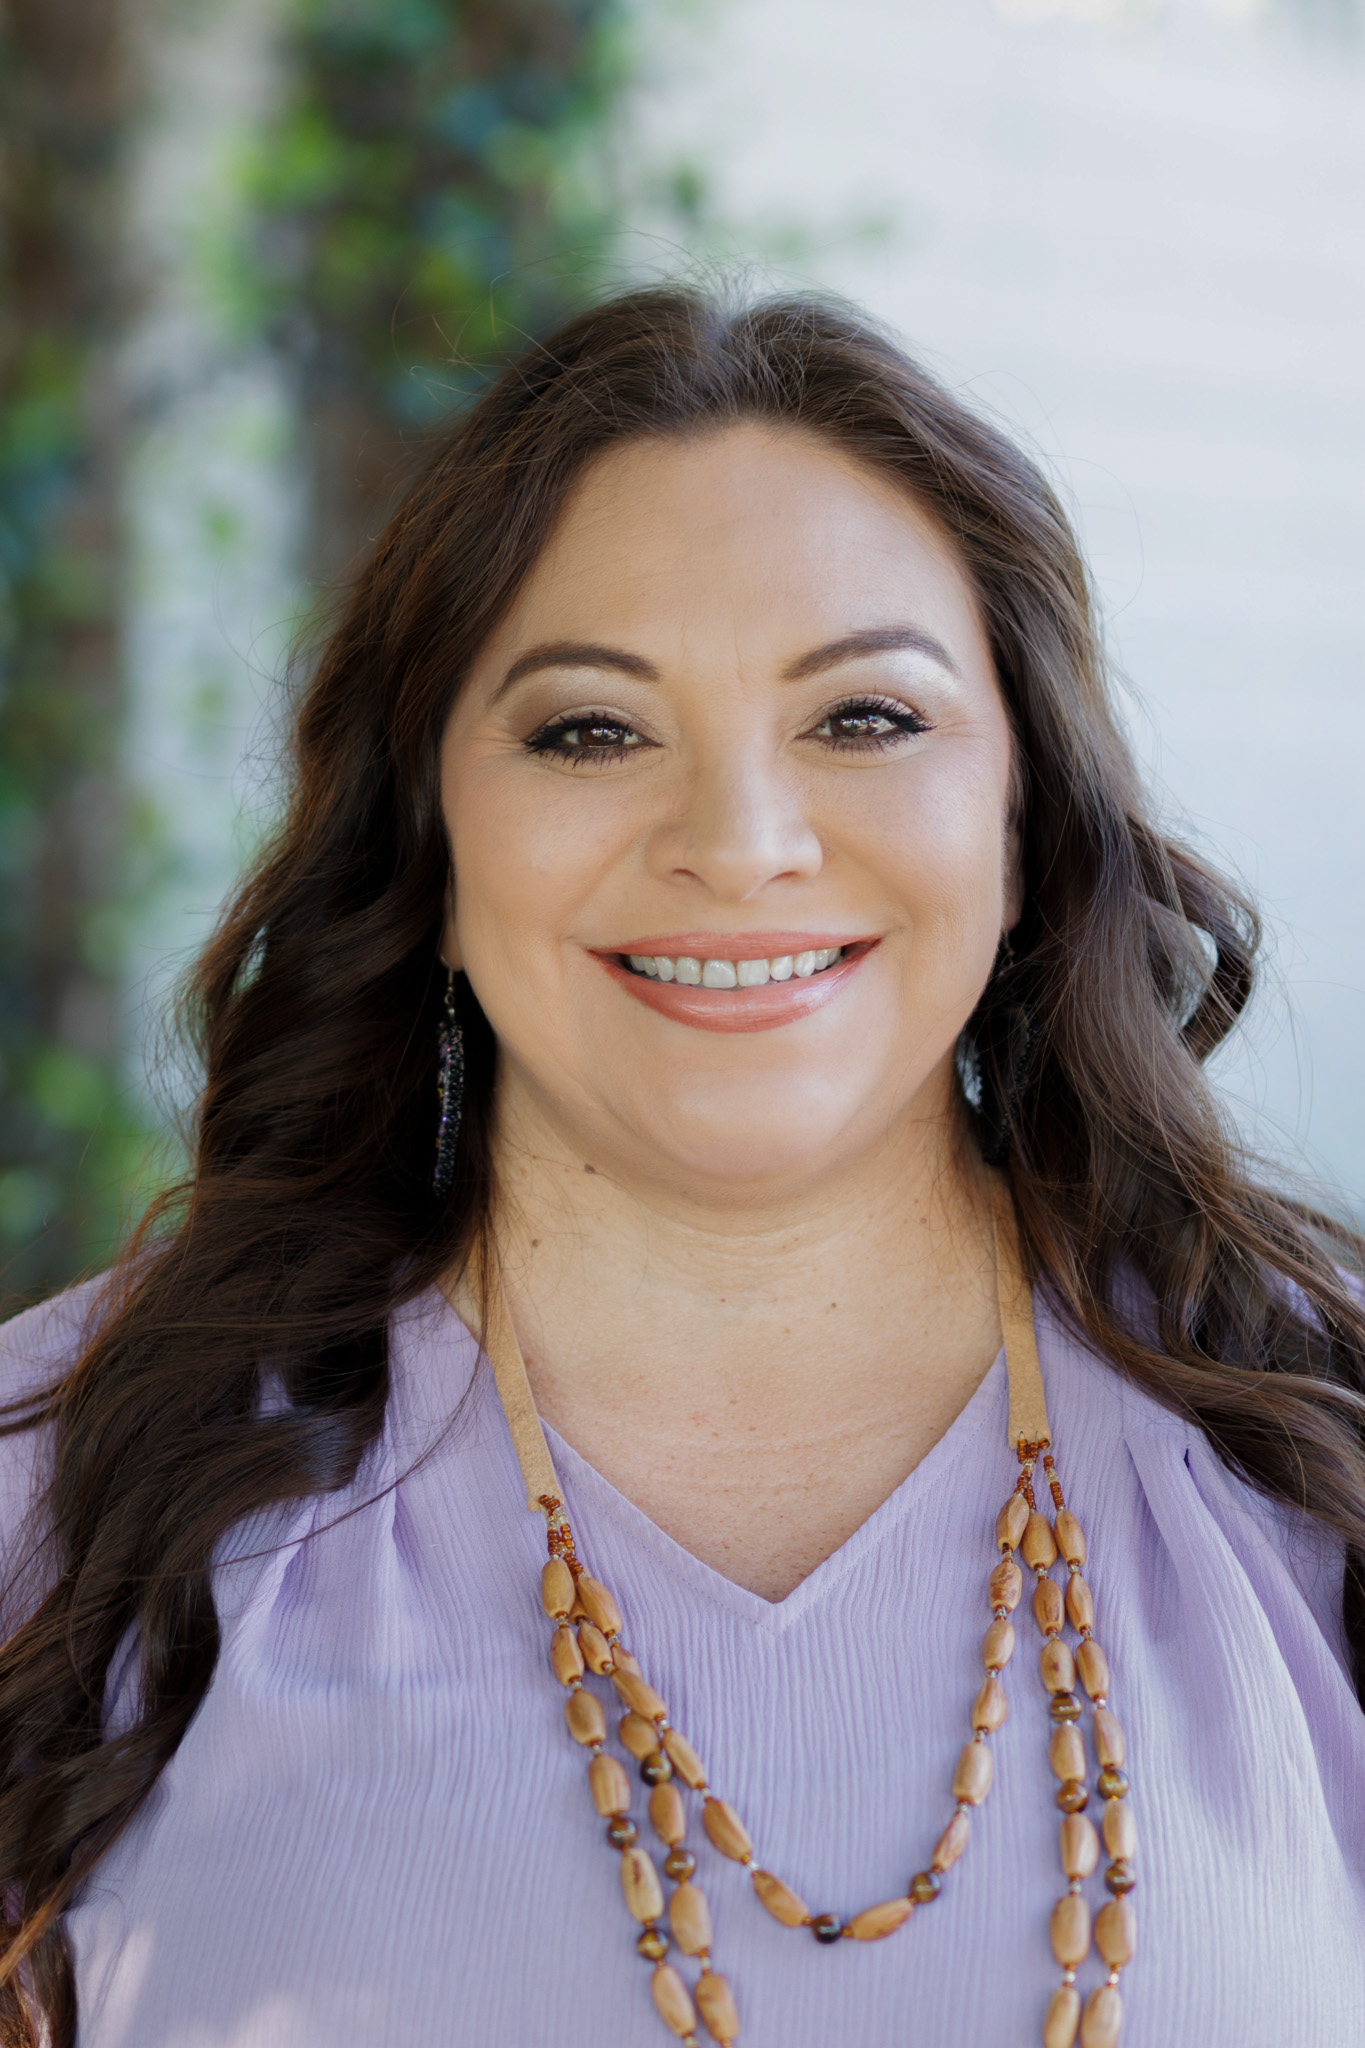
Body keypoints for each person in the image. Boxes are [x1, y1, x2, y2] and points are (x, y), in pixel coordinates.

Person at [1, 288, 1362, 2048]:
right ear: (425, 835)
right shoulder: (60, 1482)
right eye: (589, 729)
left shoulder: (1319, 1436)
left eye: (863, 718)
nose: (737, 845)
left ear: (1023, 820)